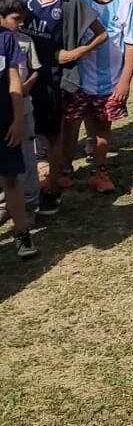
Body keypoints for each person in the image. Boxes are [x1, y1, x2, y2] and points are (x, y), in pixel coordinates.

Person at [11, 0, 108, 214]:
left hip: (50, 79)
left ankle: (52, 189)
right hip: (17, 77)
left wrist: (75, 53)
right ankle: (17, 189)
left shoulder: (70, 2)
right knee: (16, 133)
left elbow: (102, 34)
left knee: (52, 136)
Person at [61, 0, 133, 192]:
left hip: (110, 82)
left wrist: (125, 82)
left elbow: (132, 45)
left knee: (102, 127)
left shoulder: (127, 5)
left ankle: (100, 171)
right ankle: (64, 170)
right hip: (77, 79)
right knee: (70, 124)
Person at [0, 0, 41, 221]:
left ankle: (30, 203)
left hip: (22, 110)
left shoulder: (24, 41)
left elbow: (35, 70)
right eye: (16, 19)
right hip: (3, 112)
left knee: (26, 159)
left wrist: (25, 87)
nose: (20, 24)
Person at [0, 27, 37, 256]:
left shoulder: (5, 39)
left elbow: (14, 81)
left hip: (4, 122)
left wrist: (17, 119)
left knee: (11, 179)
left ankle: (22, 232)